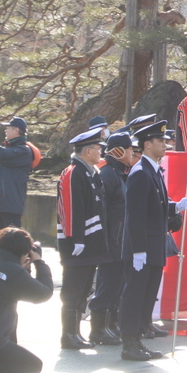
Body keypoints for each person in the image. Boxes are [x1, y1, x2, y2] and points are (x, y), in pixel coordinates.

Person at [119, 121, 187, 362]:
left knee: (147, 295)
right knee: (135, 295)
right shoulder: (140, 173)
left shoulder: (153, 170)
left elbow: (155, 204)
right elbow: (135, 215)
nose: (165, 145)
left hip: (153, 245)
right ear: (147, 144)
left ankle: (138, 339)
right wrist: (138, 250)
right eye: (160, 142)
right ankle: (129, 343)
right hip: (143, 247)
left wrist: (174, 206)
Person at [57, 128, 112, 350]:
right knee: (73, 289)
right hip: (77, 244)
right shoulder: (73, 172)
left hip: (91, 243)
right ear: (88, 150)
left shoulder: (90, 171)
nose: (100, 153)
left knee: (83, 289)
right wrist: (76, 237)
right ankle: (68, 334)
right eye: (98, 149)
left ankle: (76, 333)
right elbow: (69, 207)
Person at [89, 130, 134, 345]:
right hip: (112, 239)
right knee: (108, 284)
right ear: (118, 151)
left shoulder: (120, 172)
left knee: (117, 284)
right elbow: (102, 210)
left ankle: (110, 324)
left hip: (121, 237)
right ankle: (98, 329)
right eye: (129, 149)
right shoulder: (107, 173)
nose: (132, 152)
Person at [0, 228, 53, 373]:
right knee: (33, 365)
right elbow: (43, 293)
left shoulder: (8, 268)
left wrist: (22, 269)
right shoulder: (13, 272)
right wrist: (39, 263)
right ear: (25, 251)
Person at [0, 117, 34, 234]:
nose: (5, 131)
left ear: (16, 130)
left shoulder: (24, 151)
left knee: (11, 242)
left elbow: (1, 155)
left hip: (10, 206)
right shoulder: (7, 150)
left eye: (8, 128)